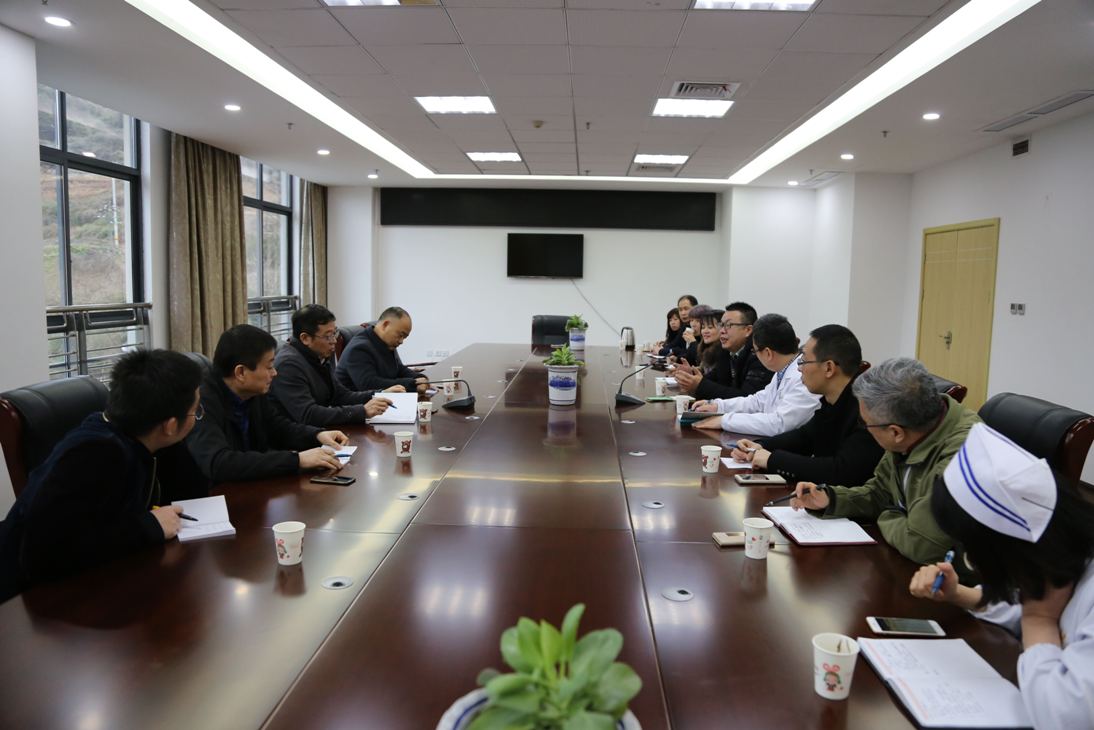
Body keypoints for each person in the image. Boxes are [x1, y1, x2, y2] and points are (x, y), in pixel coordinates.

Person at [908, 423, 1094, 729]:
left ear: (1004, 548)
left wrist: (1038, 623)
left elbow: (1065, 717)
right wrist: (960, 594)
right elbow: (1035, 602)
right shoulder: (1064, 553)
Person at [0, 350, 210, 602]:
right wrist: (149, 526)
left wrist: (171, 440)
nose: (197, 418)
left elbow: (194, 492)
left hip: (107, 577)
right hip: (27, 600)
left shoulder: (143, 436)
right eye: (195, 412)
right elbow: (45, 556)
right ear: (170, 424)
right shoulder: (94, 454)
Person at [790, 357, 981, 566]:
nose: (865, 429)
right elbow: (879, 492)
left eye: (866, 424)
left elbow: (922, 545)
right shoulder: (912, 430)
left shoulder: (962, 455)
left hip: (956, 579)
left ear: (895, 432)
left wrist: (887, 512)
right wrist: (831, 498)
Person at [187, 324, 347, 482]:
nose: (275, 373)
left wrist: (317, 435)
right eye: (269, 367)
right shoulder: (201, 402)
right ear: (241, 372)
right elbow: (219, 463)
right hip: (214, 493)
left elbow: (278, 428)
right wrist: (297, 460)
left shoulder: (252, 392)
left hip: (250, 486)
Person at [731, 324, 882, 486]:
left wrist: (772, 460)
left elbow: (841, 471)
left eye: (803, 361)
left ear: (829, 368)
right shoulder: (832, 401)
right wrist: (760, 446)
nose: (799, 369)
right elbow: (805, 437)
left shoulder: (867, 411)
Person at [691, 314, 820, 436]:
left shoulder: (802, 377)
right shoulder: (784, 370)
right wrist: (718, 406)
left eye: (755, 350)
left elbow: (780, 423)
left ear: (768, 353)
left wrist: (725, 421)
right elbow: (758, 401)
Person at [269, 304, 396, 427]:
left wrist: (380, 394)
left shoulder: (318, 356)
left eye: (335, 333)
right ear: (305, 338)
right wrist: (362, 411)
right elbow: (308, 414)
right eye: (328, 336)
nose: (334, 341)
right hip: (297, 437)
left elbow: (341, 395)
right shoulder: (288, 365)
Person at [676, 302, 772, 399]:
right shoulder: (726, 352)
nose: (722, 331)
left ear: (748, 330)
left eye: (728, 325)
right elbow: (712, 381)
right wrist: (691, 376)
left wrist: (700, 384)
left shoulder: (759, 356)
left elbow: (747, 398)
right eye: (721, 325)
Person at [336, 306, 429, 393]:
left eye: (404, 337)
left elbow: (398, 369)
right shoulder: (359, 348)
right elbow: (369, 384)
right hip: (356, 403)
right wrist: (412, 384)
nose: (401, 341)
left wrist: (420, 378)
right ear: (385, 325)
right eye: (400, 335)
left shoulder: (385, 342)